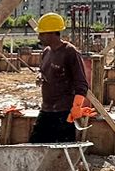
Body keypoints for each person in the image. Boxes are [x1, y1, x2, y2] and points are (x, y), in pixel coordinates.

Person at [31, 12, 92, 142]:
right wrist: (40, 76)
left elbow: (81, 84)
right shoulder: (46, 52)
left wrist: (76, 107)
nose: (39, 37)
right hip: (47, 110)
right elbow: (43, 71)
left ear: (52, 33)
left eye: (42, 33)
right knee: (36, 145)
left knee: (62, 152)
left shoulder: (70, 52)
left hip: (64, 113)